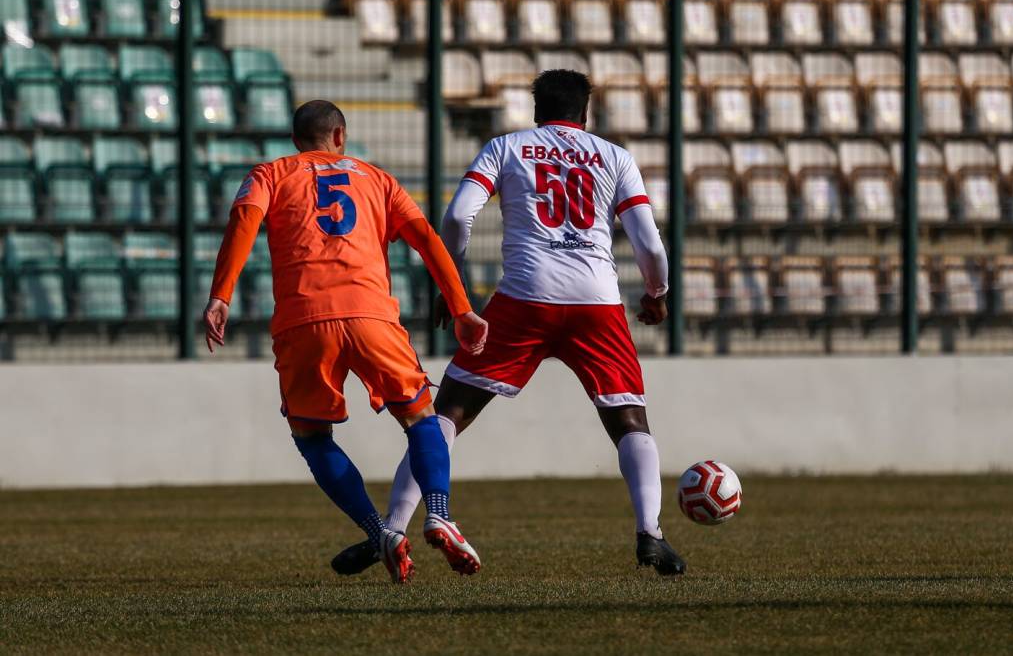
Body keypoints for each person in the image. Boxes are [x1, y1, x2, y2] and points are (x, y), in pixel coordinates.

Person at [334, 70, 687, 576]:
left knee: (447, 413)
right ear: (585, 114)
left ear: (536, 110)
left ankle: (392, 528)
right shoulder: (615, 156)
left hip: (525, 295)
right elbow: (649, 243)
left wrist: (451, 286)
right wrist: (656, 295)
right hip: (598, 301)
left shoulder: (507, 147)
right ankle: (650, 532)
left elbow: (457, 218)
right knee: (630, 420)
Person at [202, 100, 489, 584]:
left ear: (297, 141)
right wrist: (460, 307)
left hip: (303, 321)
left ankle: (380, 531)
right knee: (421, 419)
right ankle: (439, 513)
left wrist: (220, 295)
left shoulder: (269, 174)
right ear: (340, 136)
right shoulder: (377, 178)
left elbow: (243, 225)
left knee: (312, 437)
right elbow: (426, 239)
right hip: (372, 316)